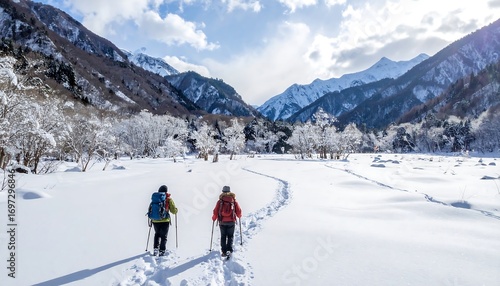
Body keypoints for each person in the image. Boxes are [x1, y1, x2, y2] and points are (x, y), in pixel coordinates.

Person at [212, 185, 242, 257]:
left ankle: (224, 251)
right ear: (229, 192)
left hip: (222, 221)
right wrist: (239, 216)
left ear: (222, 191)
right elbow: (239, 211)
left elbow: (215, 211)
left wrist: (214, 218)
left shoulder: (220, 201)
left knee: (223, 236)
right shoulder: (233, 201)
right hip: (231, 221)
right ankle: (229, 250)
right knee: (230, 236)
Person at [150, 185, 178, 256]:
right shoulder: (168, 199)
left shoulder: (155, 198)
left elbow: (151, 209)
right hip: (165, 220)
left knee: (157, 234)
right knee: (164, 236)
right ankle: (162, 250)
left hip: (155, 220)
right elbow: (173, 211)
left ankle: (155, 248)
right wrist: (176, 210)